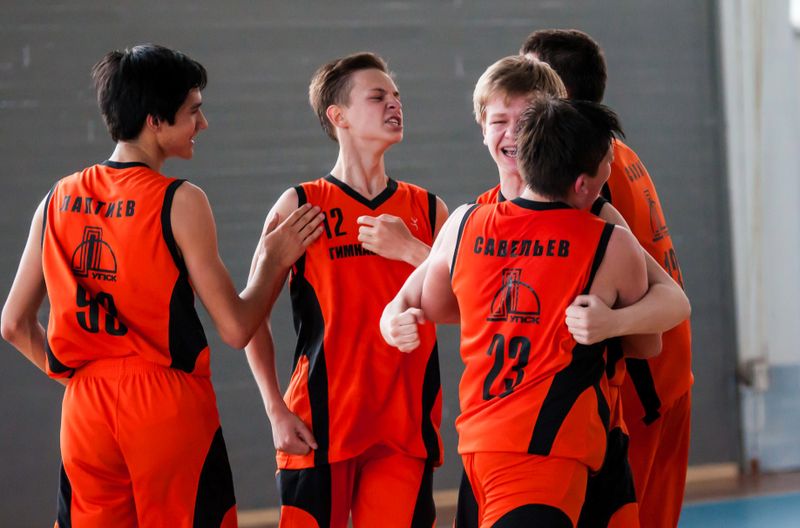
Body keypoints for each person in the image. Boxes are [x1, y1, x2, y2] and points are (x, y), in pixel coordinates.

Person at [0, 44, 323, 527]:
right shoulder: (180, 199)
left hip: (85, 408)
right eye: (193, 111)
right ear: (155, 121)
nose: (203, 124)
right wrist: (273, 261)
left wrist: (82, 374)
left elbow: (13, 324)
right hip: (164, 405)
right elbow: (235, 329)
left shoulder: (56, 198)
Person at [381, 53, 689, 528]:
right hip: (503, 435)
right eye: (498, 121)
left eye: (524, 121)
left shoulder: (596, 216)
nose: (511, 134)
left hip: (591, 431)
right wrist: (396, 314)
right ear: (482, 128)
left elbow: (665, 307)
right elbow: (442, 301)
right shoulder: (471, 217)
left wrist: (616, 322)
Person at [243, 52, 448, 528]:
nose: (395, 104)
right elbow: (248, 315)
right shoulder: (301, 204)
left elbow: (471, 298)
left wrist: (412, 249)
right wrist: (275, 410)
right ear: (338, 117)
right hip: (320, 425)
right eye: (378, 97)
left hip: (403, 429)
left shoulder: (427, 208)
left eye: (396, 95)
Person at [522, 29, 694, 528]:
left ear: (554, 94)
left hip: (639, 386)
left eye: (529, 80)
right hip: (671, 374)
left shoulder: (582, 180)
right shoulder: (619, 152)